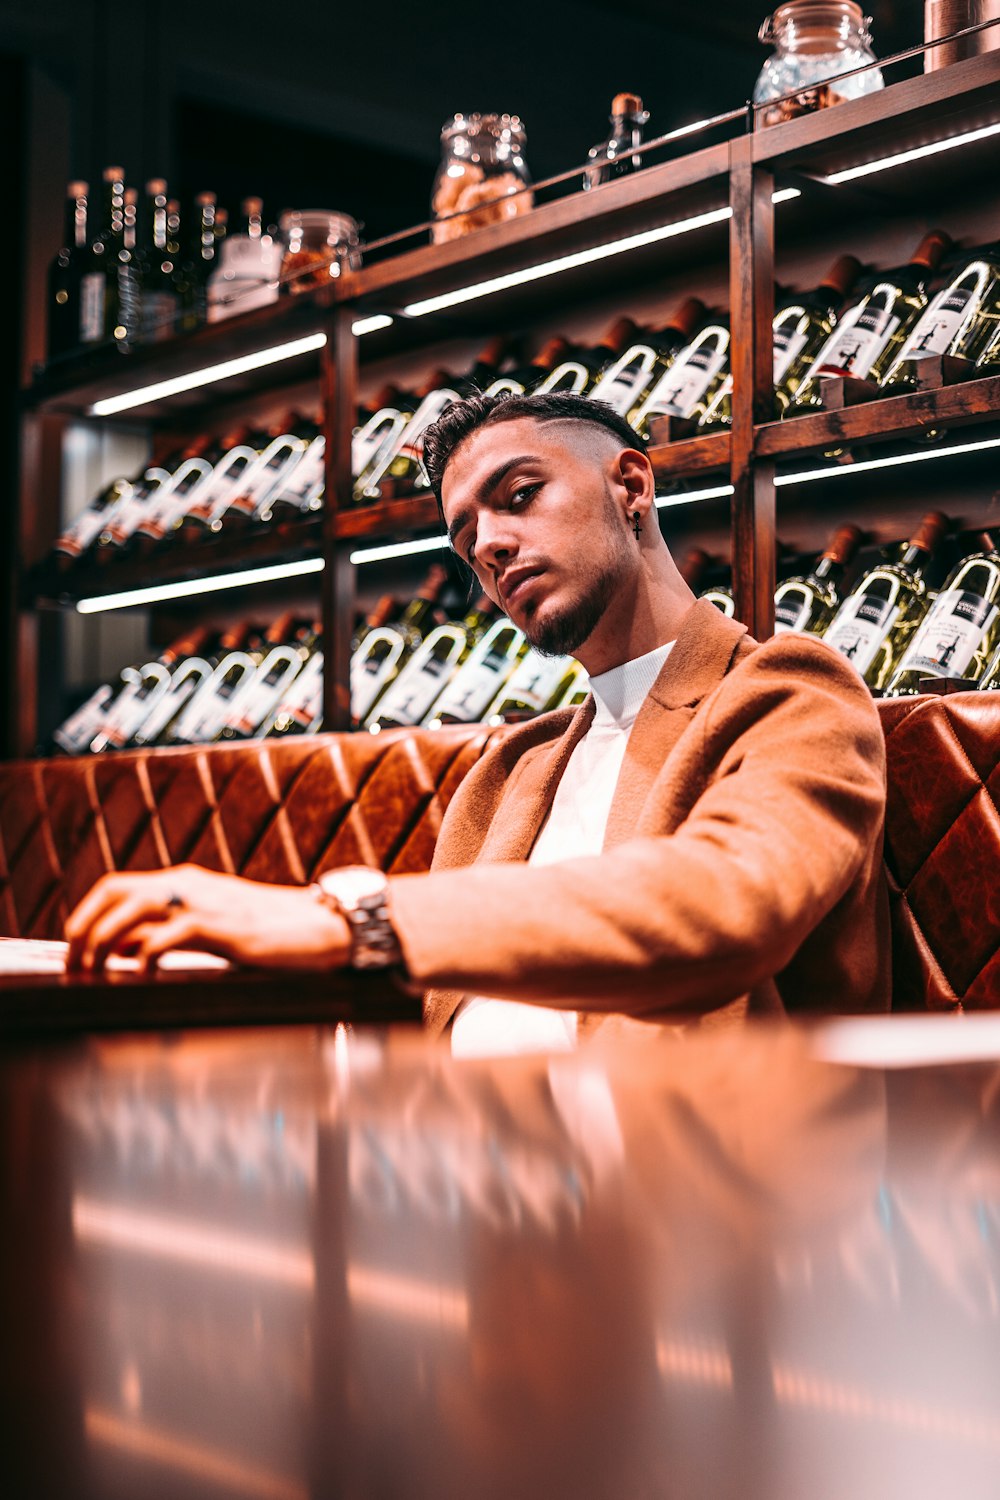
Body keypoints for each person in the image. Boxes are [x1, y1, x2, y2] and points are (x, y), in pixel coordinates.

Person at [65, 392, 891, 1047]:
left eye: (520, 495)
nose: (490, 545)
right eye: (466, 540)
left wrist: (349, 920)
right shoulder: (509, 770)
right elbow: (440, 998)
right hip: (475, 1201)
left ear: (630, 486)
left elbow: (726, 908)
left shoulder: (789, 691)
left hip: (704, 1225)